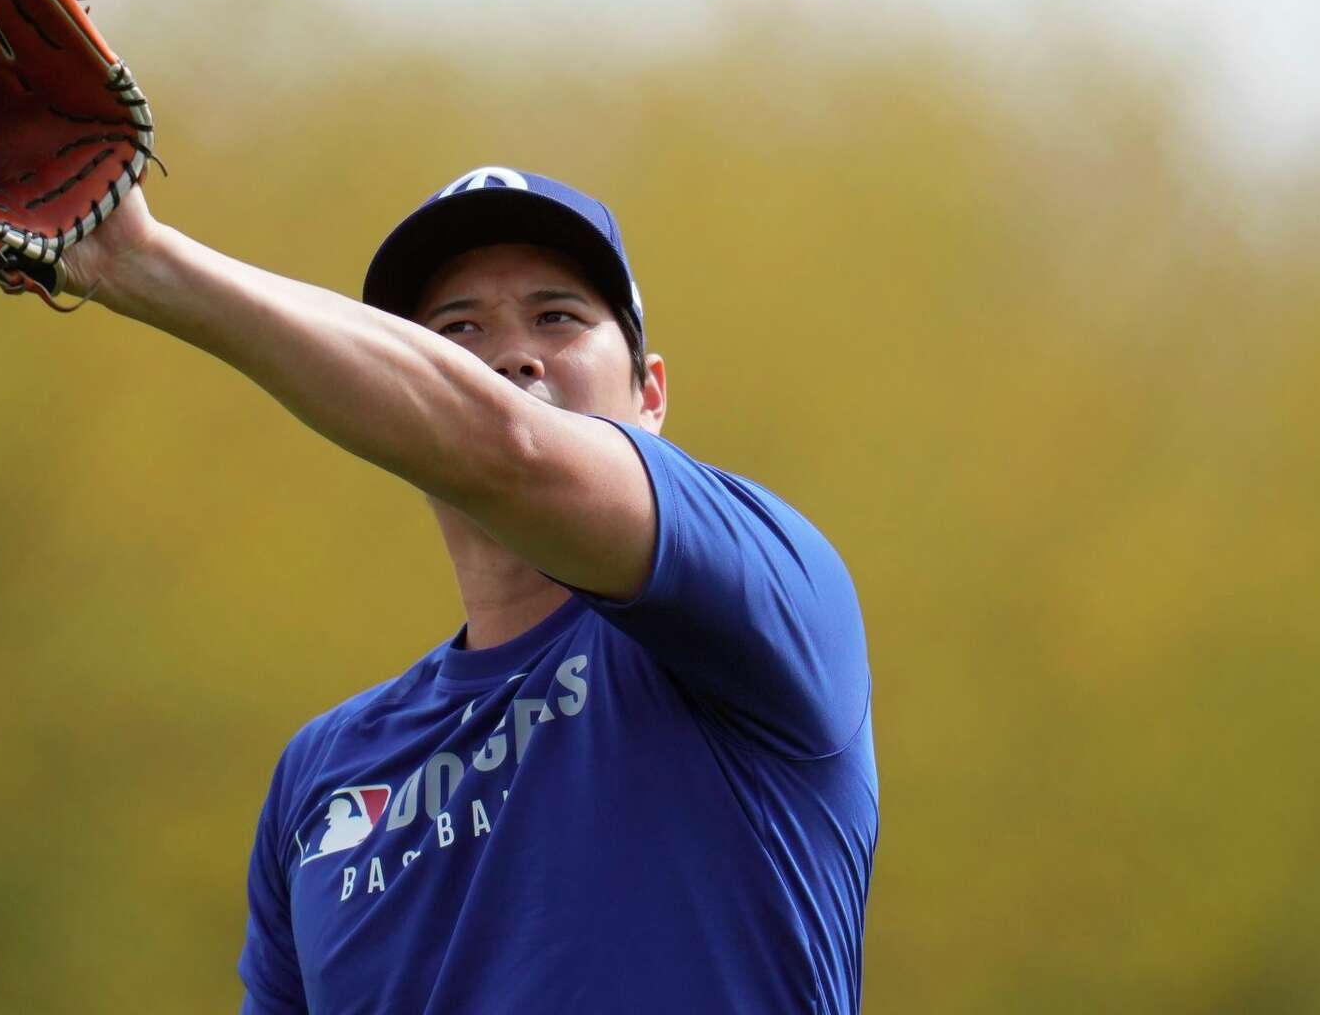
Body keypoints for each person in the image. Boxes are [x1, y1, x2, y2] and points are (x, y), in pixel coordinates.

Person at [55, 166, 878, 1013]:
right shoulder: (324, 773)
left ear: (651, 393)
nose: (508, 356)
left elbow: (511, 449)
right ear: (388, 402)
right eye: (456, 330)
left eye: (557, 316)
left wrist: (136, 258)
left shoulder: (768, 595)